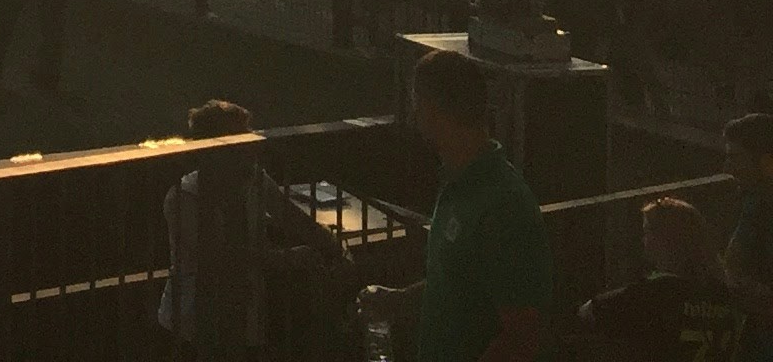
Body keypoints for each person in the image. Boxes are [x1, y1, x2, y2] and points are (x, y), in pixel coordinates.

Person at [362, 49, 549, 362]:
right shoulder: (459, 186)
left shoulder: (504, 204)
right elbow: (457, 283)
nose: (412, 114)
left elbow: (521, 335)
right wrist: (399, 301)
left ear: (431, 109)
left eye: (416, 101)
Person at [159, 98, 349, 353]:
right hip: (193, 321)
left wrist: (332, 245)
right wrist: (287, 258)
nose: (252, 143)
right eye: (242, 136)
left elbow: (291, 217)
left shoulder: (254, 179)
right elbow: (224, 257)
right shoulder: (185, 198)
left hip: (244, 315)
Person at [575, 195, 742, 361]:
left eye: (647, 232)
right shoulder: (723, 295)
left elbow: (589, 311)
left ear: (665, 238)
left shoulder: (657, 291)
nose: (643, 241)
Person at [721, 113, 773, 362]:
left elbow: (732, 268)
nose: (727, 168)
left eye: (735, 158)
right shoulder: (754, 203)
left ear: (766, 162)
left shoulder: (760, 206)